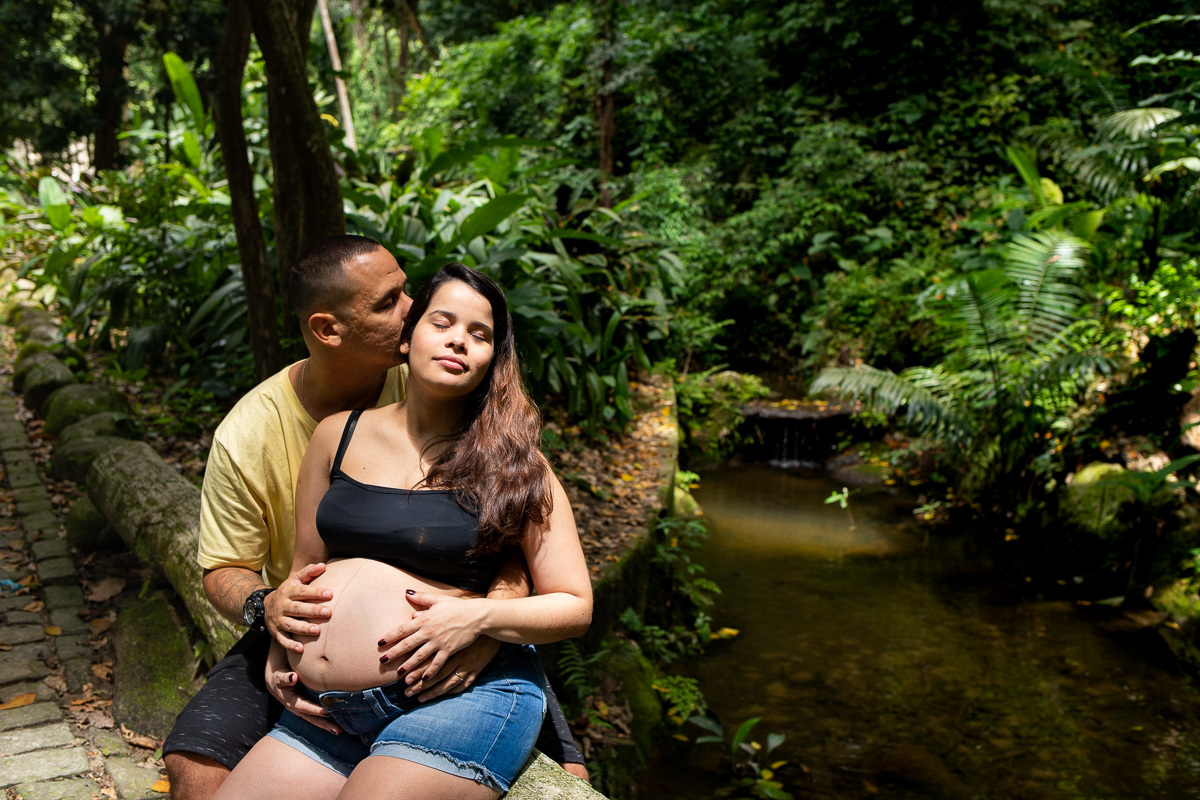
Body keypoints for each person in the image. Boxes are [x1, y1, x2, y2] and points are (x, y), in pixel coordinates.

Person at [162, 237, 588, 800]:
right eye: (433, 319)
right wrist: (278, 641)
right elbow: (296, 572)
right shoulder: (310, 434)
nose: (450, 334)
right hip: (329, 707)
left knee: (569, 776)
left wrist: (479, 621)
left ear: (494, 358)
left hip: (456, 686)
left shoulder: (510, 460)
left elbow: (559, 589)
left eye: (480, 334)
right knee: (202, 772)